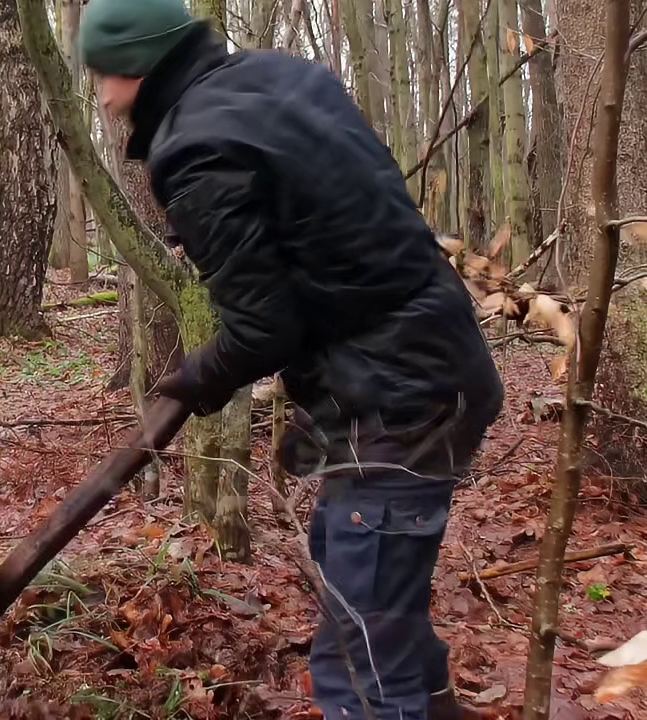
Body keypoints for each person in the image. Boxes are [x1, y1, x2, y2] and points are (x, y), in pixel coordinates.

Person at [77, 1, 504, 719]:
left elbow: (263, 328)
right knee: (368, 605)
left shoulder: (194, 148)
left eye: (104, 77)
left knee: (360, 667)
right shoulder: (280, 78)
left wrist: (196, 378)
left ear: (140, 66)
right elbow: (325, 229)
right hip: (433, 365)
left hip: (398, 398)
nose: (101, 97)